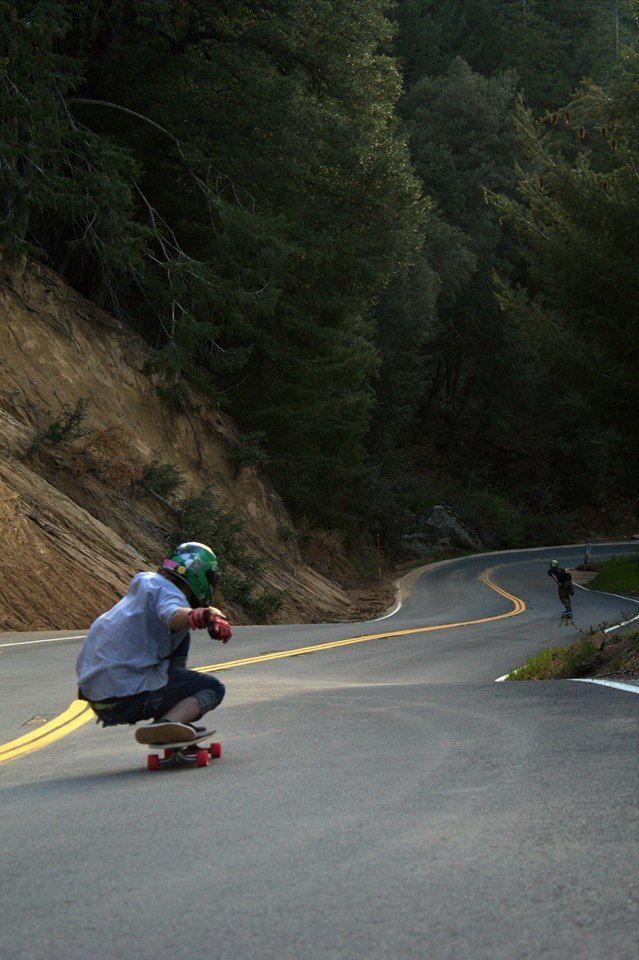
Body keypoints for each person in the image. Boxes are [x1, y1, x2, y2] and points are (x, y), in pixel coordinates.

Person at [76, 542, 233, 744]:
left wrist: (205, 614)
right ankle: (167, 723)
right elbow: (173, 614)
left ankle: (172, 721)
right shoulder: (172, 596)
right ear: (198, 575)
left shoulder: (148, 584)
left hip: (97, 695)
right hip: (124, 697)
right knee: (213, 689)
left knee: (181, 635)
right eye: (210, 579)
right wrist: (202, 615)